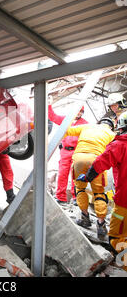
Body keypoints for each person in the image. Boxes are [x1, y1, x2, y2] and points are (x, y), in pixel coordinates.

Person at [77, 111, 127, 269]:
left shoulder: (120, 144)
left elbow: (101, 162)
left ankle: (124, 264)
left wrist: (87, 177)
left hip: (124, 201)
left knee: (115, 236)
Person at [64, 118, 116, 238]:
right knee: (98, 192)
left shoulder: (87, 126)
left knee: (80, 189)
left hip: (79, 158)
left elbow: (67, 131)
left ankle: (84, 217)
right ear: (111, 126)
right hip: (96, 160)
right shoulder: (111, 134)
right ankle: (101, 224)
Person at [48, 102, 88, 204]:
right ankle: (61, 197)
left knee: (76, 175)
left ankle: (76, 198)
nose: (79, 113)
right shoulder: (66, 119)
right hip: (65, 151)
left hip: (77, 152)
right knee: (62, 174)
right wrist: (48, 104)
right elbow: (52, 116)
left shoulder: (85, 124)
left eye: (81, 111)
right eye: (78, 111)